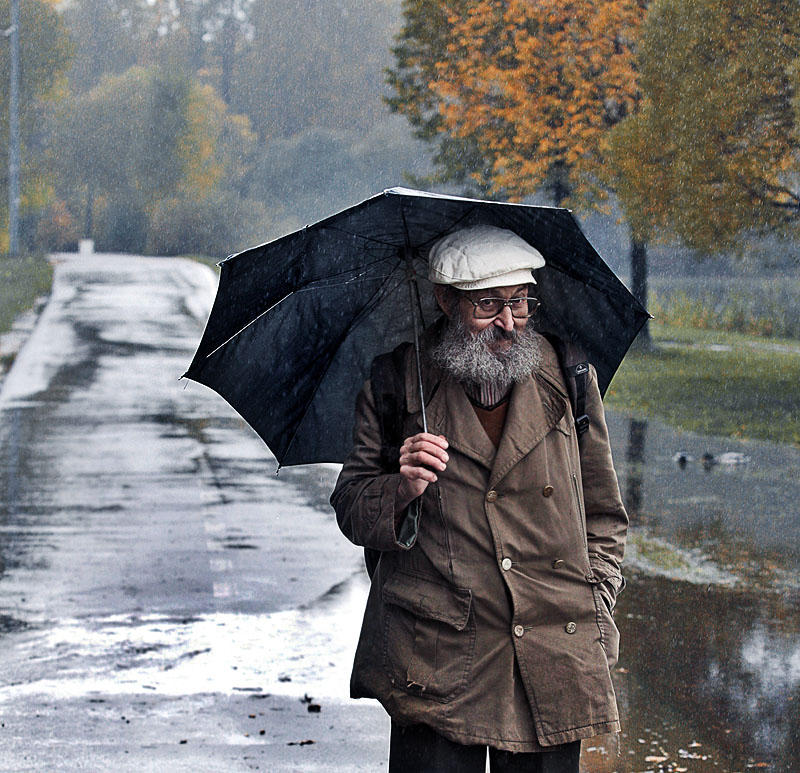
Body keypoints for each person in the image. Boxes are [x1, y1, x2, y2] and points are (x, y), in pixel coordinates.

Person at [330, 225, 628, 772]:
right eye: (487, 305)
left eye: (519, 302)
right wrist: (401, 489)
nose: (508, 323)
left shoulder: (570, 376)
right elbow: (350, 503)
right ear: (446, 301)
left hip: (552, 651)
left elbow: (604, 513)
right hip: (437, 660)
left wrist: (597, 598)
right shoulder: (397, 382)